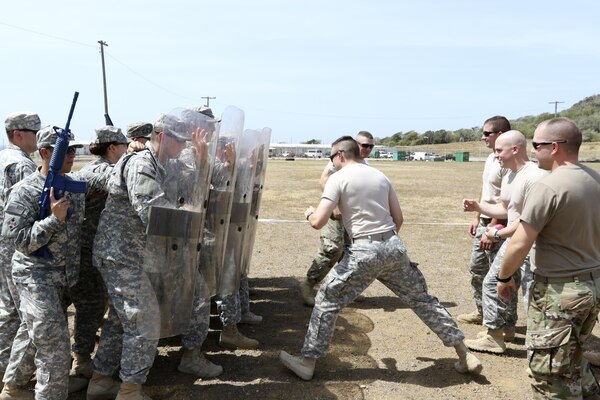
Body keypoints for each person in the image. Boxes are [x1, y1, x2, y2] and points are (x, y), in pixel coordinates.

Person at [280, 136, 482, 380]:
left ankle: (307, 362)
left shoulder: (338, 178)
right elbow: (399, 219)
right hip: (393, 247)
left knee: (326, 299)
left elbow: (318, 222)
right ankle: (464, 354)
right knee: (422, 300)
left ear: (341, 155)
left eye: (332, 157)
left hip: (363, 251)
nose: (331, 162)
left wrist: (309, 213)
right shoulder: (379, 176)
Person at [87, 113, 207, 400]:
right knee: (146, 319)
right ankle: (130, 391)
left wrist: (201, 162)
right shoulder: (141, 164)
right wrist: (188, 218)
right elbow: (153, 214)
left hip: (131, 256)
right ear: (162, 137)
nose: (182, 147)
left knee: (119, 321)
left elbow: (188, 185)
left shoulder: (162, 164)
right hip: (120, 255)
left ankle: (101, 381)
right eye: (179, 141)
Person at [0, 126, 110, 399]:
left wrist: (132, 157)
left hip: (62, 277)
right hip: (35, 277)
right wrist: (52, 220)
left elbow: (105, 178)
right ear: (45, 152)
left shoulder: (72, 185)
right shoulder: (24, 192)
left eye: (74, 150)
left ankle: (13, 389)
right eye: (66, 150)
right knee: (55, 348)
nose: (71, 155)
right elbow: (19, 242)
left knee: (31, 334)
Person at [496, 118, 600, 399]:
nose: (534, 151)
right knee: (574, 357)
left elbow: (520, 242)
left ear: (554, 147)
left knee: (549, 374)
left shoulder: (549, 186)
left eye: (536, 145)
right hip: (591, 285)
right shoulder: (595, 179)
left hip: (560, 291)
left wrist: (504, 278)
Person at [461, 130, 548, 354]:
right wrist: (479, 208)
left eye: (500, 150)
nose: (496, 155)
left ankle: (541, 351)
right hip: (514, 240)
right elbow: (505, 208)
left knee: (532, 296)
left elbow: (526, 222)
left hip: (531, 246)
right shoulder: (510, 174)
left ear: (515, 149)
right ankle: (500, 331)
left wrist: (496, 234)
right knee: (495, 283)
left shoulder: (534, 176)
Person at [67, 126, 128, 380]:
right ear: (112, 147)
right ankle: (81, 361)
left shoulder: (100, 167)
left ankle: (83, 357)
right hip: (85, 251)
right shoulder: (98, 170)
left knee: (96, 303)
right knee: (90, 305)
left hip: (94, 250)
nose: (128, 150)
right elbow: (119, 180)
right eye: (125, 146)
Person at [298, 131, 374, 307]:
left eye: (371, 146)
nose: (368, 149)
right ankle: (308, 285)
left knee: (351, 252)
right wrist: (336, 205)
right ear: (355, 145)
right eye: (365, 145)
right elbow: (323, 180)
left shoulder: (366, 165)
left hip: (353, 216)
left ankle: (345, 289)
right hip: (335, 213)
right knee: (331, 249)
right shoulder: (340, 159)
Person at [457, 116, 510, 325]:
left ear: (501, 134)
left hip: (499, 224)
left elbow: (504, 199)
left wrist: (491, 227)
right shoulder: (491, 158)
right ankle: (483, 312)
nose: (483, 137)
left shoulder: (506, 161)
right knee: (477, 270)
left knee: (497, 275)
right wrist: (477, 216)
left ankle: (501, 322)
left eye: (487, 133)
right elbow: (487, 190)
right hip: (485, 220)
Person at [0, 112, 40, 383]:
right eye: (34, 132)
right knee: (23, 311)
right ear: (18, 134)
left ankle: (4, 365)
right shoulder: (21, 165)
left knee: (8, 308)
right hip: (16, 244)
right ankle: (13, 373)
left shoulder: (5, 157)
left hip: (5, 241)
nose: (38, 137)